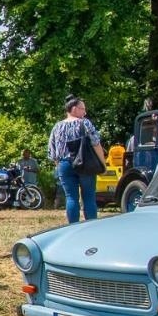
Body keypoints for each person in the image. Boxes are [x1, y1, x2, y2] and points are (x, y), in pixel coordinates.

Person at [49, 95, 104, 223]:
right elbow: (96, 144)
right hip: (85, 163)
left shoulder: (57, 126)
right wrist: (102, 164)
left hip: (64, 164)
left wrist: (59, 166)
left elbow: (52, 152)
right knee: (89, 197)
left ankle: (73, 227)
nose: (85, 112)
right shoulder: (84, 123)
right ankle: (91, 225)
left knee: (71, 198)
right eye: (82, 109)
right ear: (74, 109)